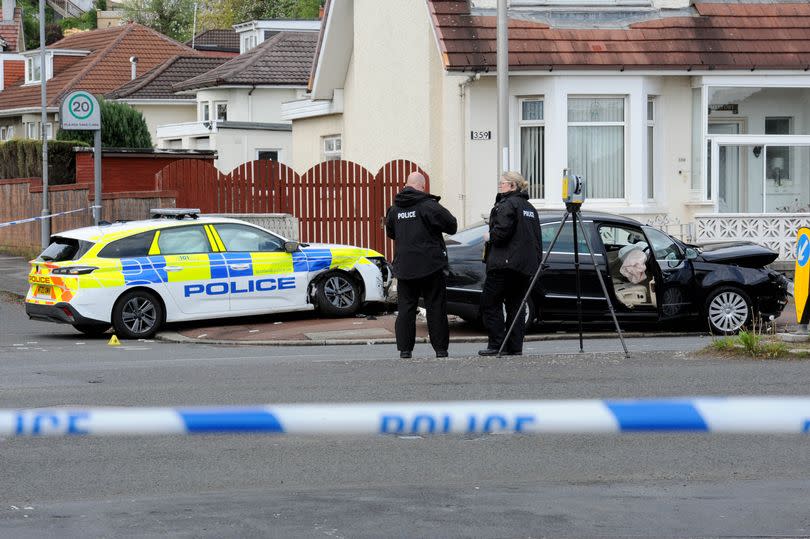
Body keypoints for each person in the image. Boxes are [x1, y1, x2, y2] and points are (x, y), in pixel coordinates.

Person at [385, 172, 458, 359]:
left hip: (405, 267)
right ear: (422, 187)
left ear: (406, 185)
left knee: (406, 309)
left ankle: (405, 350)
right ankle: (440, 350)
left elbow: (391, 233)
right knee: (435, 308)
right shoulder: (429, 206)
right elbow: (452, 225)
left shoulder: (394, 209)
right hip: (430, 266)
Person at [478, 171, 542, 356]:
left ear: (513, 185)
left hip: (503, 264)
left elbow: (501, 234)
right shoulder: (529, 207)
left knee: (490, 303)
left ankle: (497, 344)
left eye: (503, 183)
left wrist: (490, 236)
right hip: (524, 266)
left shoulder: (507, 204)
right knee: (516, 306)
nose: (500, 185)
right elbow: (536, 239)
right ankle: (514, 346)